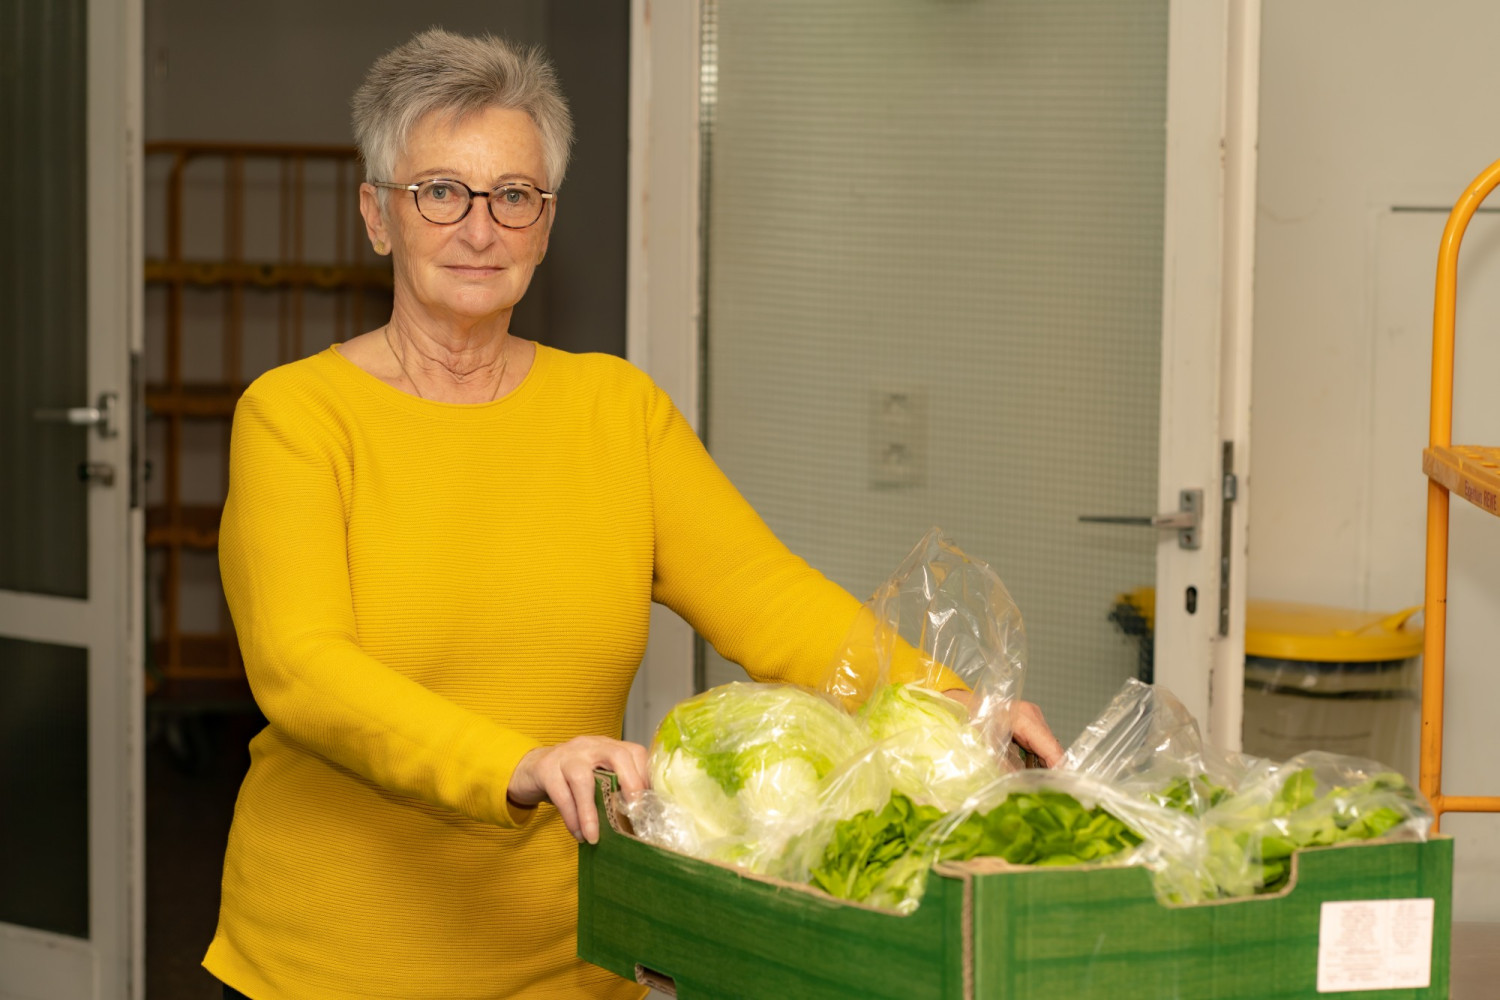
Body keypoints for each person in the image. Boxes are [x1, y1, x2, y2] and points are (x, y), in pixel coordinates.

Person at [205, 28, 1064, 1000]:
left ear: (545, 220)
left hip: (581, 953)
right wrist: (520, 762)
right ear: (376, 214)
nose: (478, 229)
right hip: (333, 964)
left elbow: (771, 600)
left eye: (513, 197)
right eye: (439, 192)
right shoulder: (297, 416)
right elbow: (304, 671)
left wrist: (945, 699)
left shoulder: (616, 411)